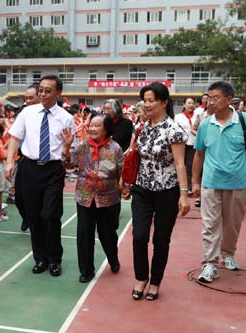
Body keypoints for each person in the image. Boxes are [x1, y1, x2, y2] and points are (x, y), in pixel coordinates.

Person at [121, 82, 190, 301]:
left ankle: (155, 281)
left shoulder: (173, 130)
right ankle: (141, 277)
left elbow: (180, 164)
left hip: (167, 191)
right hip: (142, 189)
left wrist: (184, 194)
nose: (147, 104)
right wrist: (125, 180)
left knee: (161, 239)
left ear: (164, 102)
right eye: (145, 100)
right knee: (139, 236)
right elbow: (133, 155)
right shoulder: (141, 127)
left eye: (151, 100)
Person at [5, 74, 74, 277]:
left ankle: (55, 259)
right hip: (29, 167)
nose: (43, 94)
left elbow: (68, 155)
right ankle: (40, 258)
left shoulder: (66, 118)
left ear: (58, 93)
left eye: (48, 90)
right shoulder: (27, 112)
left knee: (51, 215)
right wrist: (10, 162)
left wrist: (68, 147)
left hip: (53, 169)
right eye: (41, 90)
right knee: (34, 216)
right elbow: (15, 138)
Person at [192, 81, 246, 283]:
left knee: (232, 224)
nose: (210, 102)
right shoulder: (205, 123)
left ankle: (228, 253)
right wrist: (195, 181)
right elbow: (198, 154)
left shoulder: (244, 120)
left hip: (238, 182)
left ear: (229, 99)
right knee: (210, 225)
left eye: (215, 98)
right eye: (209, 97)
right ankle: (210, 264)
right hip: (211, 182)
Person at [62, 114, 123, 283]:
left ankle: (113, 258)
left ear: (106, 129)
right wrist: (67, 147)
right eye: (91, 125)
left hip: (108, 198)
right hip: (85, 197)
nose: (92, 129)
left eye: (97, 125)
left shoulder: (115, 148)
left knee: (107, 234)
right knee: (84, 235)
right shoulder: (82, 147)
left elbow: (122, 172)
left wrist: (124, 188)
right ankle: (86, 270)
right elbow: (68, 164)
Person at [18, 83, 41, 232]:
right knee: (20, 196)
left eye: (31, 98)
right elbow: (14, 137)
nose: (28, 101)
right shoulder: (23, 114)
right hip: (24, 159)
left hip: (43, 161)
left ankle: (37, 223)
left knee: (38, 198)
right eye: (26, 98)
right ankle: (26, 217)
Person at [174, 97, 197, 194]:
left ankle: (190, 187)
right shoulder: (178, 116)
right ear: (184, 105)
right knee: (181, 165)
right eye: (188, 103)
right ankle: (181, 186)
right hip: (182, 144)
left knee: (191, 165)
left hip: (194, 143)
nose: (191, 105)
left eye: (192, 103)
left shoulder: (198, 116)